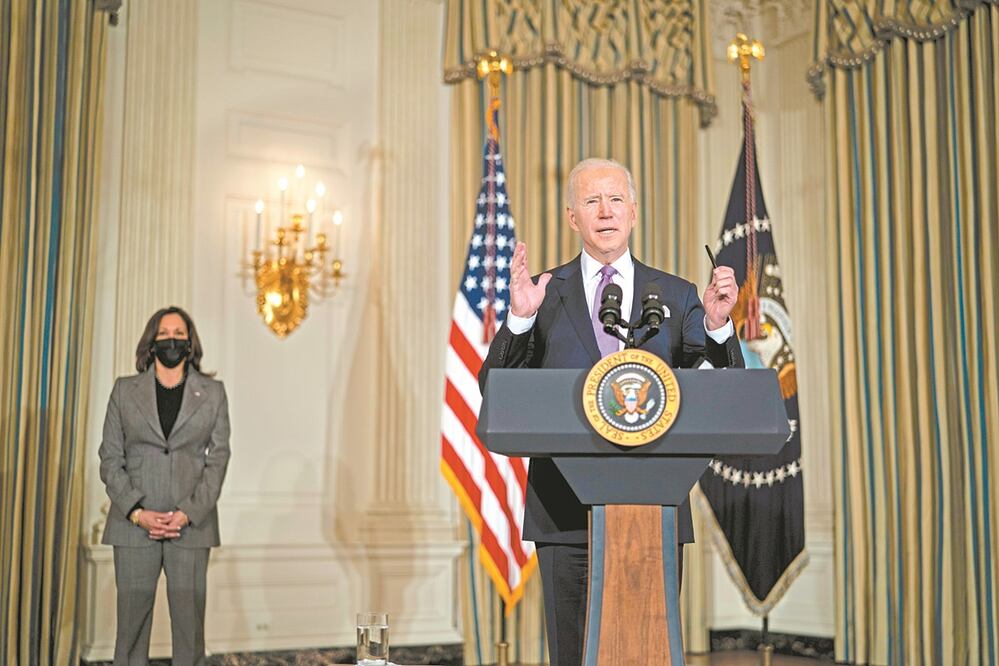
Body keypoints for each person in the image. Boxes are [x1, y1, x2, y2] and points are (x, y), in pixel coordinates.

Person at [478, 158, 743, 666]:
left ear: (634, 212)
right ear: (573, 217)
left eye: (616, 199)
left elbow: (723, 395)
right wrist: (519, 319)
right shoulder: (542, 293)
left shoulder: (679, 295)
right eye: (592, 201)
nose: (605, 211)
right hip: (563, 513)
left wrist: (716, 328)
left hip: (656, 511)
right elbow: (497, 390)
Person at [98, 306, 231, 666]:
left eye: (179, 333)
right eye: (163, 334)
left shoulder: (213, 393)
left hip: (191, 526)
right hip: (133, 524)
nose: (171, 340)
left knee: (190, 632)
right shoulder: (125, 391)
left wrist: (189, 512)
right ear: (151, 342)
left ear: (190, 342)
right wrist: (137, 512)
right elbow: (110, 457)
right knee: (131, 629)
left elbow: (218, 459)